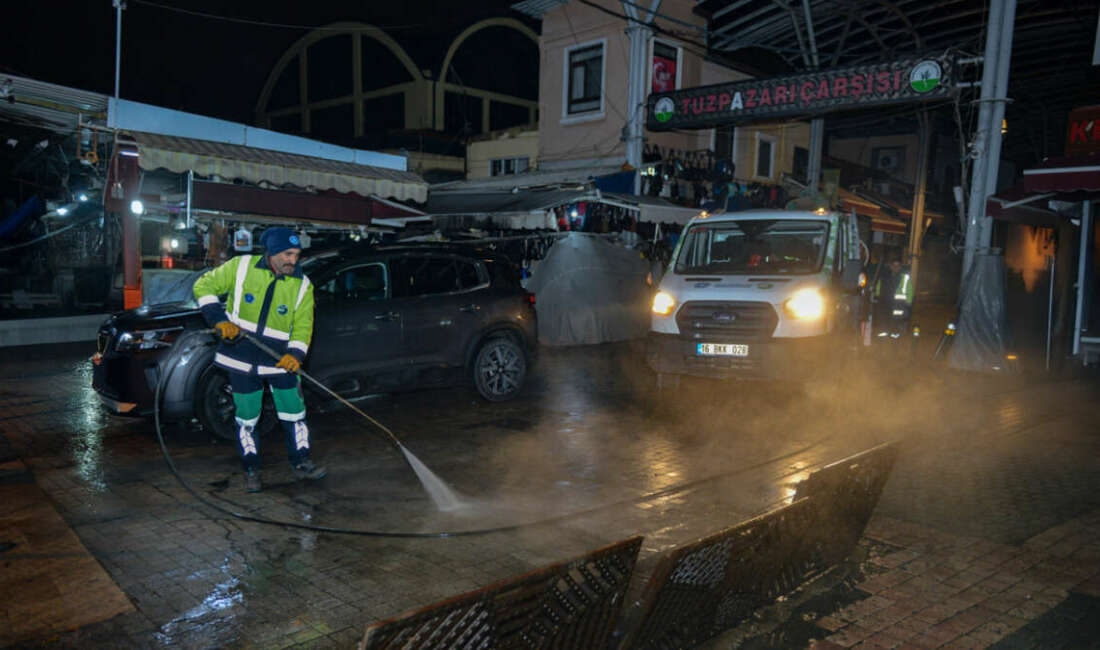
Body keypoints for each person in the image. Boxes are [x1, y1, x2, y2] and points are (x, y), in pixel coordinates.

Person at [192, 227, 326, 492]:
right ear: (272, 252)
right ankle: (251, 469)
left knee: (294, 413)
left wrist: (295, 354)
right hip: (241, 359)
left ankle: (301, 463)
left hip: (281, 362)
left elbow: (303, 326)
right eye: (287, 254)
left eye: (297, 255)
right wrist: (219, 320)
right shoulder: (240, 267)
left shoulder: (303, 285)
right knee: (247, 418)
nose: (293, 260)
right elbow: (203, 286)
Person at [873, 257, 914, 339]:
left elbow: (909, 291)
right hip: (885, 303)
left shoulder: (904, 277)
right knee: (884, 320)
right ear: (890, 266)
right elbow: (879, 287)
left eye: (897, 265)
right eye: (894, 265)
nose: (895, 267)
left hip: (899, 305)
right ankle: (884, 336)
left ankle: (894, 337)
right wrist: (877, 298)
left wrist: (908, 304)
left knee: (896, 322)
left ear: (900, 266)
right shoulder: (884, 276)